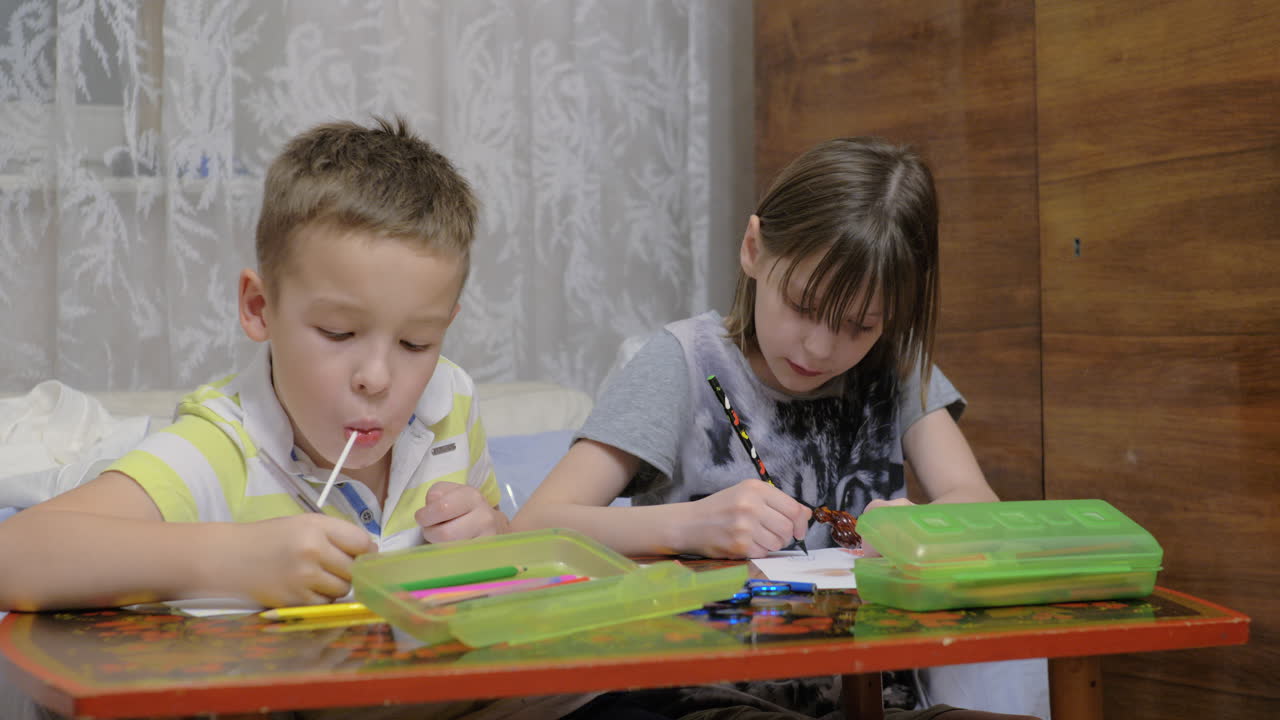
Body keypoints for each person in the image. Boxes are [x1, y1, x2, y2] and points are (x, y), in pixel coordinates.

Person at [512, 137, 1043, 719]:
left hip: (880, 699)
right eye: (804, 305)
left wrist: (924, 526)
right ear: (754, 249)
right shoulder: (683, 363)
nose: (820, 348)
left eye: (859, 326)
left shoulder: (895, 366)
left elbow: (976, 505)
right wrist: (692, 524)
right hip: (708, 695)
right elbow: (535, 528)